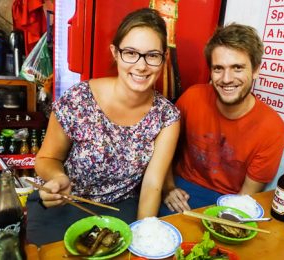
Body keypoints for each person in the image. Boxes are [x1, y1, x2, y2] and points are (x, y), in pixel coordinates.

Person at [26, 8, 180, 246]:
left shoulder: (167, 116)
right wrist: (57, 178)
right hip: (68, 202)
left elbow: (152, 185)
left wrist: (141, 237)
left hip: (120, 209)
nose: (141, 66)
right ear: (115, 53)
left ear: (163, 59)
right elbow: (46, 158)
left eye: (152, 55)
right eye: (130, 53)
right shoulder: (78, 98)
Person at [159, 23, 284, 216]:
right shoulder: (191, 98)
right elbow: (164, 149)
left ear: (256, 70)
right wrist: (167, 187)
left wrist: (223, 218)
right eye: (218, 68)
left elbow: (246, 196)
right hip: (181, 189)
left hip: (229, 201)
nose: (226, 79)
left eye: (237, 68)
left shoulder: (272, 127)